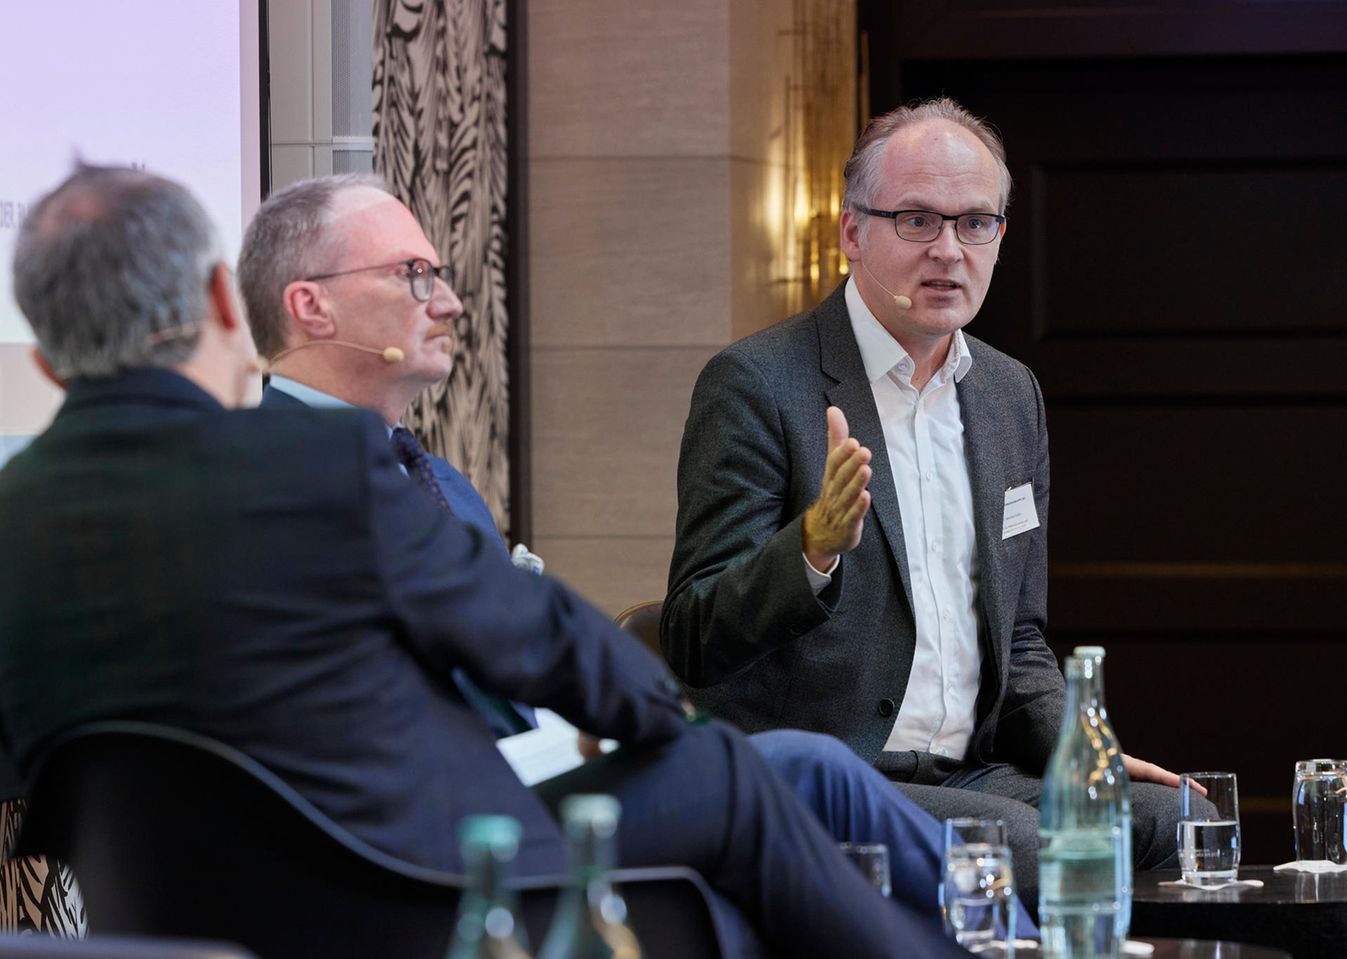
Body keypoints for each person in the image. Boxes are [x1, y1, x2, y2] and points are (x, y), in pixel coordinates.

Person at [0, 163, 968, 957]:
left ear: (46, 361)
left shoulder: (12, 514)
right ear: (223, 296)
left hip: (180, 922)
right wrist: (655, 711)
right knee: (720, 765)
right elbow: (537, 638)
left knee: (735, 866)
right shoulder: (317, 461)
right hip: (422, 893)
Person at [234, 171, 1024, 931]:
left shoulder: (429, 477)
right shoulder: (280, 479)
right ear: (312, 306)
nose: (448, 301)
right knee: (802, 770)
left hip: (529, 779)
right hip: (441, 826)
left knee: (769, 850)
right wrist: (614, 717)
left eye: (438, 274)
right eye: (412, 276)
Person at [662, 97, 1185, 899]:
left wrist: (1086, 750)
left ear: (1000, 237)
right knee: (1028, 843)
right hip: (832, 773)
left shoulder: (1013, 395)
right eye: (916, 220)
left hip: (974, 773)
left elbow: (1022, 640)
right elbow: (694, 637)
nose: (949, 250)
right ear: (852, 233)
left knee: (1177, 818)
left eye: (976, 223)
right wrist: (811, 548)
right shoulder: (758, 384)